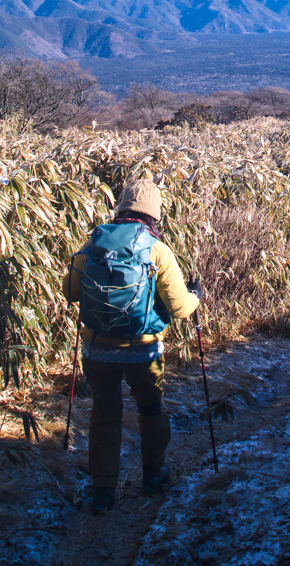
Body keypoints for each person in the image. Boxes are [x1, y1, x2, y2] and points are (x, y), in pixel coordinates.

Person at [63, 179, 201, 515]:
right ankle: (153, 475)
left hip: (98, 349)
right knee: (150, 408)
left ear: (121, 206)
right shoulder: (157, 250)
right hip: (144, 349)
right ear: (154, 214)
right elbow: (180, 308)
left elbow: (70, 291)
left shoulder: (94, 241)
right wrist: (197, 295)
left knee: (104, 414)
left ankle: (101, 491)